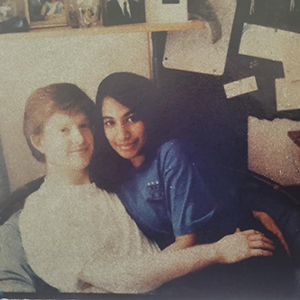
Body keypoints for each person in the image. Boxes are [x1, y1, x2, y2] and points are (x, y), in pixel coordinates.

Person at [0, 83, 275, 294]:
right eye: (63, 130)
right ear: (39, 142)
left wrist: (244, 211)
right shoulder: (40, 212)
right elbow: (124, 277)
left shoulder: (108, 178)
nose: (80, 138)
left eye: (84, 125)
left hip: (180, 282)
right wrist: (217, 251)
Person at [92, 72, 295, 297]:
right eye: (110, 122)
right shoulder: (112, 173)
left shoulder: (171, 153)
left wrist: (138, 278)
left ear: (148, 115)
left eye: (132, 118)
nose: (122, 134)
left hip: (234, 259)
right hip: (190, 269)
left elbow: (187, 242)